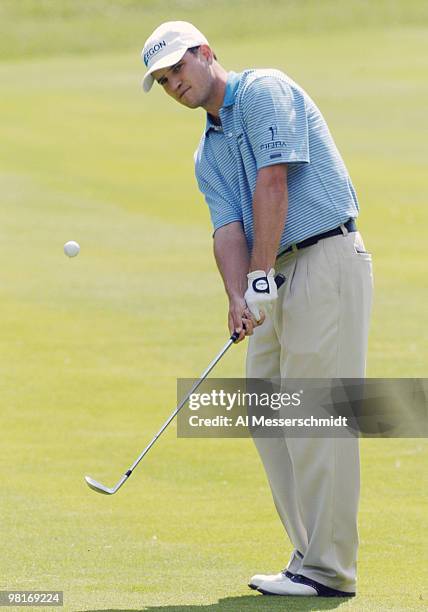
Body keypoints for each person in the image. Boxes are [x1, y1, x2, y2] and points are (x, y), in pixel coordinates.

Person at [141, 21, 373, 597]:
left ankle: (328, 569)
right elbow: (227, 229)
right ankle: (309, 554)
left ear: (206, 53)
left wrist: (261, 273)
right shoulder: (207, 151)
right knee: (266, 408)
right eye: (164, 80)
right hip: (275, 273)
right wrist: (238, 295)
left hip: (325, 257)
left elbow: (274, 182)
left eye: (179, 69)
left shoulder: (266, 89)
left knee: (316, 415)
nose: (175, 85)